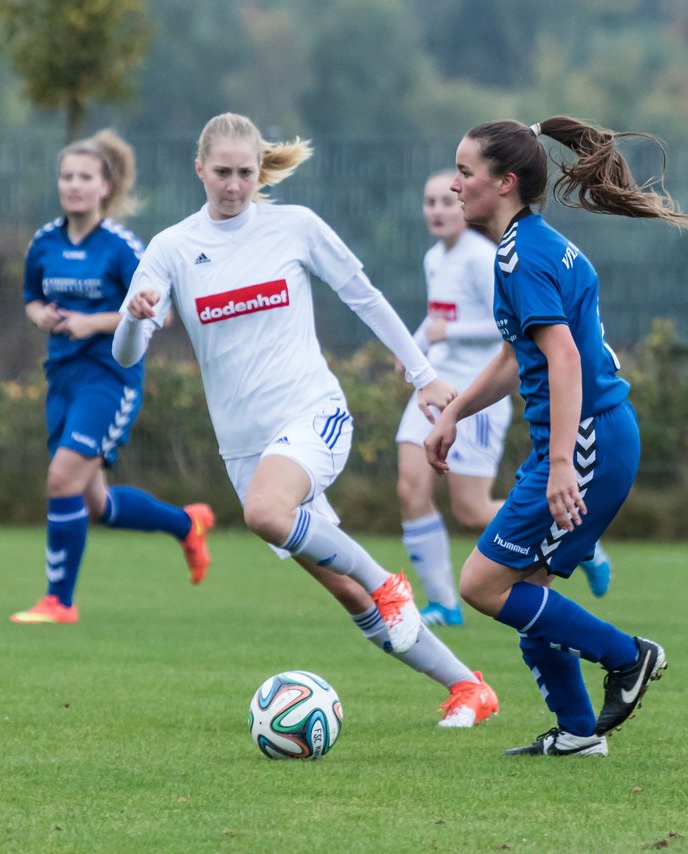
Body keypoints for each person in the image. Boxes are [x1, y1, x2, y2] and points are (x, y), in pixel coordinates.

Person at [112, 113, 497, 728]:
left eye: (245, 172)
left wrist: (422, 376)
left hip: (313, 413)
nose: (234, 186)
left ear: (258, 170)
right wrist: (134, 316)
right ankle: (468, 686)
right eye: (222, 173)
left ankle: (388, 583)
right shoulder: (172, 249)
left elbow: (363, 295)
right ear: (199, 170)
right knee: (347, 591)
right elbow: (126, 354)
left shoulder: (294, 227)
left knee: (269, 514)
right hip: (244, 450)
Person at [425, 117, 688, 756]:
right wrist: (453, 413)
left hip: (588, 443)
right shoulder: (534, 245)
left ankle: (629, 656)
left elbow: (565, 360)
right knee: (530, 597)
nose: (456, 185)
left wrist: (558, 467)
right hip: (598, 437)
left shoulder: (522, 257)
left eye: (466, 172)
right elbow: (518, 354)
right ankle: (578, 734)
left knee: (483, 586)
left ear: (505, 182)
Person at [12, 129, 214, 625]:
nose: (74, 185)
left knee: (61, 479)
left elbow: (159, 315)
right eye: (66, 176)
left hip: (108, 379)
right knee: (94, 502)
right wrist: (38, 314)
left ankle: (59, 601)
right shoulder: (44, 242)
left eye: (85, 177)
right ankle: (187, 524)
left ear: (106, 187)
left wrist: (96, 322)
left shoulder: (122, 247)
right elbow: (31, 297)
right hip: (61, 376)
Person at [396, 173, 613, 629]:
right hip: (437, 387)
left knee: (471, 509)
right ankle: (443, 604)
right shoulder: (435, 257)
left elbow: (510, 335)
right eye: (429, 200)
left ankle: (578, 535)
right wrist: (412, 353)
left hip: (476, 390)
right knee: (409, 488)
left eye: (447, 199)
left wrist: (445, 334)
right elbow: (437, 316)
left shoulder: (488, 258)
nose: (439, 208)